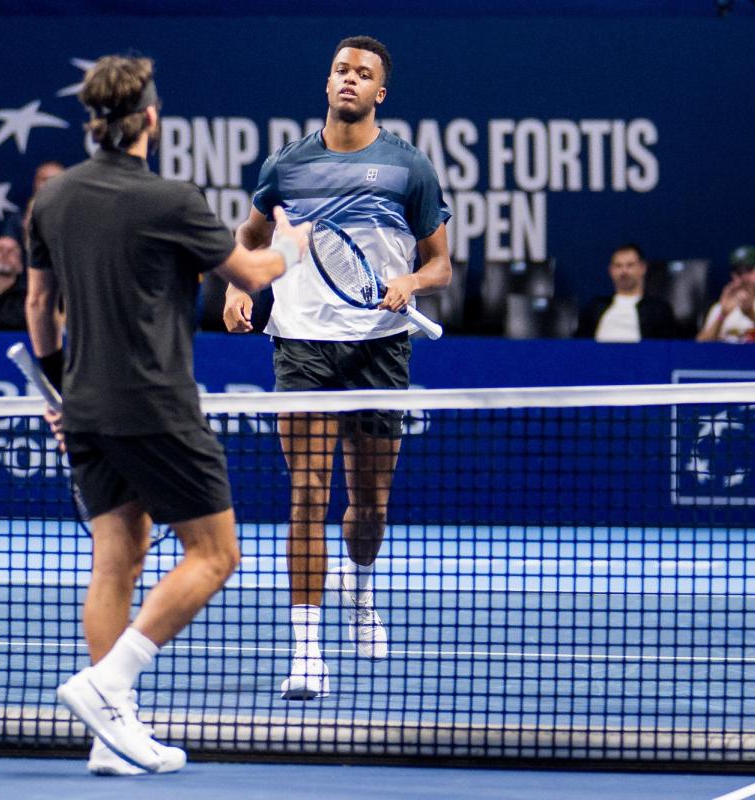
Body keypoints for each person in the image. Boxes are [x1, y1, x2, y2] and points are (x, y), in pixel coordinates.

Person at [26, 54, 308, 775]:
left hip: (83, 405)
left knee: (116, 558)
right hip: (156, 407)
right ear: (151, 118)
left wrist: (60, 390)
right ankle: (108, 684)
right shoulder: (170, 199)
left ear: (94, 122)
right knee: (217, 555)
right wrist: (289, 248)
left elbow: (38, 306)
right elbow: (249, 275)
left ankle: (107, 737)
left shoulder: (50, 201)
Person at [222, 36, 452, 701]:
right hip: (302, 344)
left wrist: (413, 282)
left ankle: (362, 590)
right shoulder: (287, 165)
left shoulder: (410, 168)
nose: (349, 79)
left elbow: (441, 263)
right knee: (307, 495)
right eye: (340, 70)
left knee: (370, 509)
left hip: (380, 345)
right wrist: (241, 287)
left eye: (364, 74)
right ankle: (306, 653)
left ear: (381, 93)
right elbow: (251, 237)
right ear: (328, 84)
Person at [576, 243, 676, 342]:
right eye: (618, 266)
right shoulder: (595, 307)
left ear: (642, 268)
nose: (624, 271)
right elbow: (577, 344)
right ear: (611, 270)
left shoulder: (658, 309)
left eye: (630, 265)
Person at [2, 160, 65, 250]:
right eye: (45, 179)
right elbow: (8, 251)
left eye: (57, 179)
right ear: (35, 184)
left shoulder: (76, 217)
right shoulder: (17, 220)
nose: (51, 184)